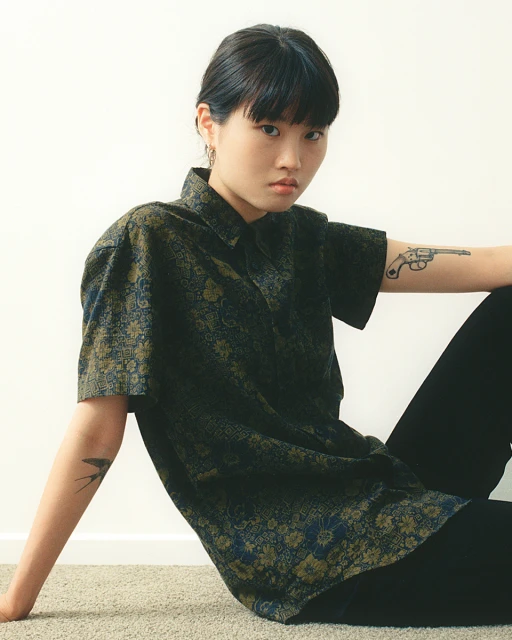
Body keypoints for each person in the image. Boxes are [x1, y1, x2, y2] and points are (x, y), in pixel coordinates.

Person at [1, 23, 511, 628]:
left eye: (312, 134)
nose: (292, 159)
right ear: (208, 123)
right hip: (311, 557)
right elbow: (96, 430)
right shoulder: (147, 243)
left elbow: (486, 264)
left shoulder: (303, 238)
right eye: (269, 128)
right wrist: (17, 597)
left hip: (378, 488)